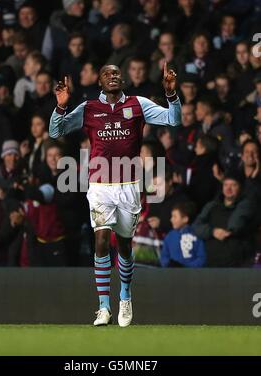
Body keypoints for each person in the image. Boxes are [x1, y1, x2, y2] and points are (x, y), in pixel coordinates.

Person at [49, 62, 181, 326]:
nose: (113, 76)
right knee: (100, 240)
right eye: (107, 73)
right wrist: (61, 106)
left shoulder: (138, 104)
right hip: (99, 186)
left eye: (117, 73)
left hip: (129, 185)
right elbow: (56, 131)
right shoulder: (88, 109)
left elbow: (173, 119)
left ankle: (125, 295)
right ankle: (103, 307)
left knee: (123, 246)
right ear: (99, 81)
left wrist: (171, 94)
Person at [161, 202, 206, 268]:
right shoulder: (169, 236)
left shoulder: (196, 235)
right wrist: (169, 265)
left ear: (185, 219)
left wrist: (185, 267)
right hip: (172, 274)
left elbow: (202, 258)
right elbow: (164, 256)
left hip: (191, 275)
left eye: (175, 217)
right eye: (171, 216)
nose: (171, 219)